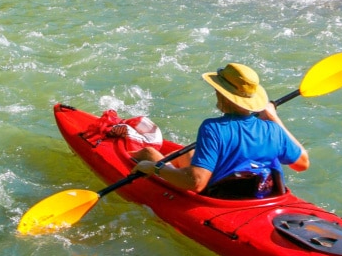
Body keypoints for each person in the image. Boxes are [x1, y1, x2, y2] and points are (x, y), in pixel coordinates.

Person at [130, 62, 308, 198]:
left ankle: (124, 152)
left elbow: (197, 183)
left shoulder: (213, 128)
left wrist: (155, 169)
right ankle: (173, 167)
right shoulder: (273, 130)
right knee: (189, 153)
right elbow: (302, 163)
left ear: (223, 93)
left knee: (150, 153)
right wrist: (273, 117)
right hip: (261, 196)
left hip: (220, 197)